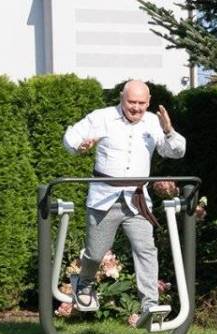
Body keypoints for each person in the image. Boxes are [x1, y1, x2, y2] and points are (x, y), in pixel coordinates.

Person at [63, 79, 186, 321]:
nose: (136, 108)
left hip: (137, 200)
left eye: (141, 103)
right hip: (104, 199)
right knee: (95, 253)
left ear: (148, 102)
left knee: (146, 250)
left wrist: (169, 131)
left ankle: (149, 305)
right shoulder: (102, 117)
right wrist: (79, 146)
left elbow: (176, 152)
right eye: (131, 102)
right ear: (121, 98)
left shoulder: (153, 122)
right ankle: (84, 282)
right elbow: (71, 137)